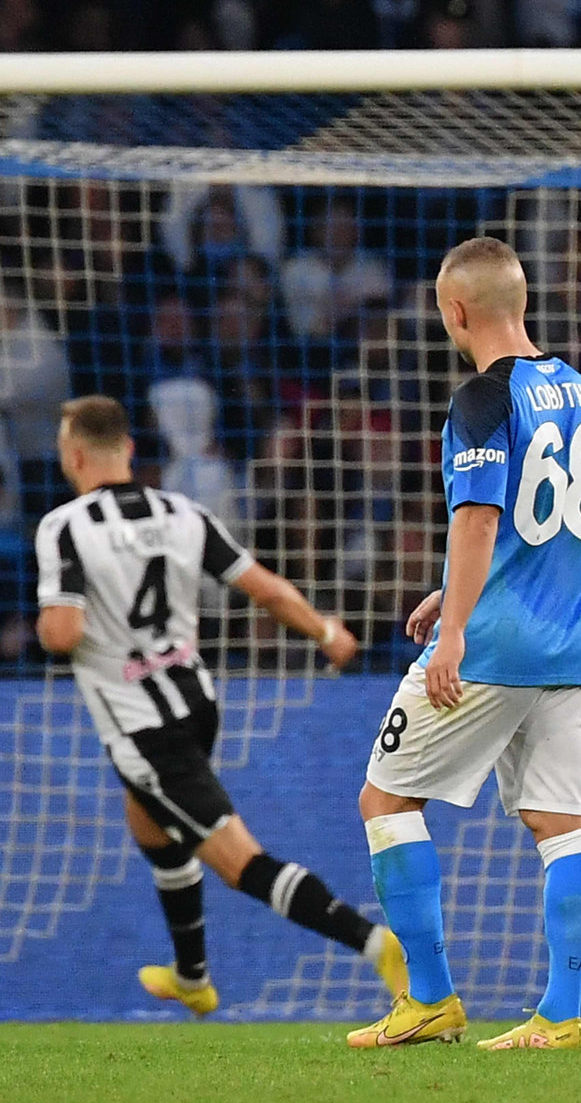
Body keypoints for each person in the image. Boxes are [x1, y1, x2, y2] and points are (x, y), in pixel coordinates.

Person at [32, 395, 403, 1017]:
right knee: (149, 820)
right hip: (197, 704)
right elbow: (264, 588)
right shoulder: (182, 513)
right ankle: (192, 976)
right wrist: (328, 632)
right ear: (128, 449)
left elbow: (63, 633)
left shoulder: (63, 527)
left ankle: (374, 944)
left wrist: (49, 628)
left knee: (240, 861)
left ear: (73, 456)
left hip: (144, 726)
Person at [351, 237, 581, 1051]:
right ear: (520, 301)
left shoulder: (480, 401)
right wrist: (454, 589)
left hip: (494, 647)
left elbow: (482, 517)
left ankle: (429, 999)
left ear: (454, 312)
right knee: (562, 822)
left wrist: (455, 625)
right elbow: (547, 531)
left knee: (385, 800)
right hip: (572, 644)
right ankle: (560, 1016)